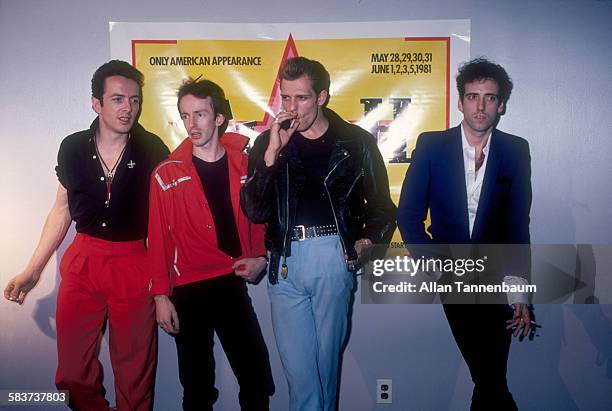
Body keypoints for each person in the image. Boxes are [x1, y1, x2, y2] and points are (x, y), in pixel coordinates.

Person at [3, 60, 169, 411]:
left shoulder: (154, 149)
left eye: (135, 100)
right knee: (73, 375)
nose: (128, 108)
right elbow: (60, 209)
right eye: (118, 99)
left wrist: (162, 287)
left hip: (134, 263)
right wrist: (33, 271)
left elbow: (164, 222)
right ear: (97, 103)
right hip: (84, 261)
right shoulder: (73, 147)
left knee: (134, 376)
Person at [241, 56, 396, 411]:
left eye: (302, 98)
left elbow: (384, 207)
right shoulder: (268, 141)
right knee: (299, 374)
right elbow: (254, 210)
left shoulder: (355, 142)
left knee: (326, 368)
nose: (292, 108)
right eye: (286, 98)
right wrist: (270, 157)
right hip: (284, 261)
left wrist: (368, 241)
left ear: (322, 97)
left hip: (332, 254)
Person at [397, 57, 532, 410]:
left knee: (489, 378)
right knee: (490, 375)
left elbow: (517, 225)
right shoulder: (432, 146)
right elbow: (408, 215)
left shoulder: (515, 151)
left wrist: (519, 293)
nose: (481, 105)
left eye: (490, 97)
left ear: (501, 104)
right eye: (473, 96)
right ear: (460, 102)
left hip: (496, 278)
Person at [147, 78, 274, 411]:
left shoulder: (244, 165)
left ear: (218, 118)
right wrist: (161, 296)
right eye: (186, 116)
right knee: (197, 386)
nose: (192, 124)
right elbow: (158, 238)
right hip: (187, 288)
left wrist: (260, 256)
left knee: (256, 378)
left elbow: (259, 218)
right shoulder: (166, 173)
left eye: (200, 114)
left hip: (231, 282)